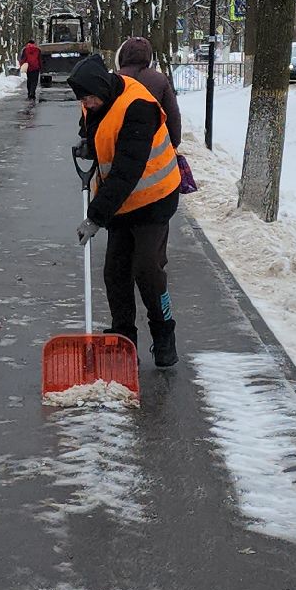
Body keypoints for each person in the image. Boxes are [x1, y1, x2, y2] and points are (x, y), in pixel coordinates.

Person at [67, 53, 182, 368]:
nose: (86, 105)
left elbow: (126, 171)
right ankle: (123, 339)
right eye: (82, 100)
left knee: (147, 269)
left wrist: (95, 216)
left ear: (101, 88)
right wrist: (87, 142)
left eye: (89, 98)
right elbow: (91, 126)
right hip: (120, 203)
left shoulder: (138, 107)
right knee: (115, 272)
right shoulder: (95, 99)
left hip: (154, 198)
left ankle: (163, 335)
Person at [113, 36, 182, 148]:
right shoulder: (160, 80)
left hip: (118, 147)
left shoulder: (113, 80)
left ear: (120, 56)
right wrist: (174, 142)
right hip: (153, 148)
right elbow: (172, 116)